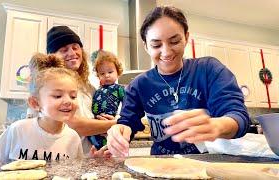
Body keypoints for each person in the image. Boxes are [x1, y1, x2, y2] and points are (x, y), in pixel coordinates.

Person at [106, 6, 251, 157]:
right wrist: (120, 132)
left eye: (174, 41)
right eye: (156, 45)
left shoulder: (209, 69)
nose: (166, 52)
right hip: (160, 164)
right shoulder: (138, 85)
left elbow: (238, 115)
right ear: (146, 46)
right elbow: (127, 122)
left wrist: (217, 125)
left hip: (208, 162)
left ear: (186, 37)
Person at [0, 53, 84, 162]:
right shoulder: (18, 130)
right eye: (57, 96)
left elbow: (77, 170)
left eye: (73, 96)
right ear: (35, 103)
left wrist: (92, 160)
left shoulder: (73, 138)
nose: (68, 101)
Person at [46, 26, 116, 153]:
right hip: (65, 158)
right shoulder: (49, 87)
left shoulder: (88, 87)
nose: (72, 53)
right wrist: (116, 124)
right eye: (64, 49)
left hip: (91, 157)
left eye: (75, 47)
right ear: (52, 57)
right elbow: (73, 124)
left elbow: (97, 117)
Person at [88, 50, 125, 150]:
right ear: (98, 76)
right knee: (95, 146)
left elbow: (127, 105)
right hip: (95, 124)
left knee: (112, 148)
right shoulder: (97, 90)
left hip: (110, 122)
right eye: (102, 73)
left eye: (110, 72)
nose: (106, 75)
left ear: (118, 72)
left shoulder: (119, 89)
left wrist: (119, 118)